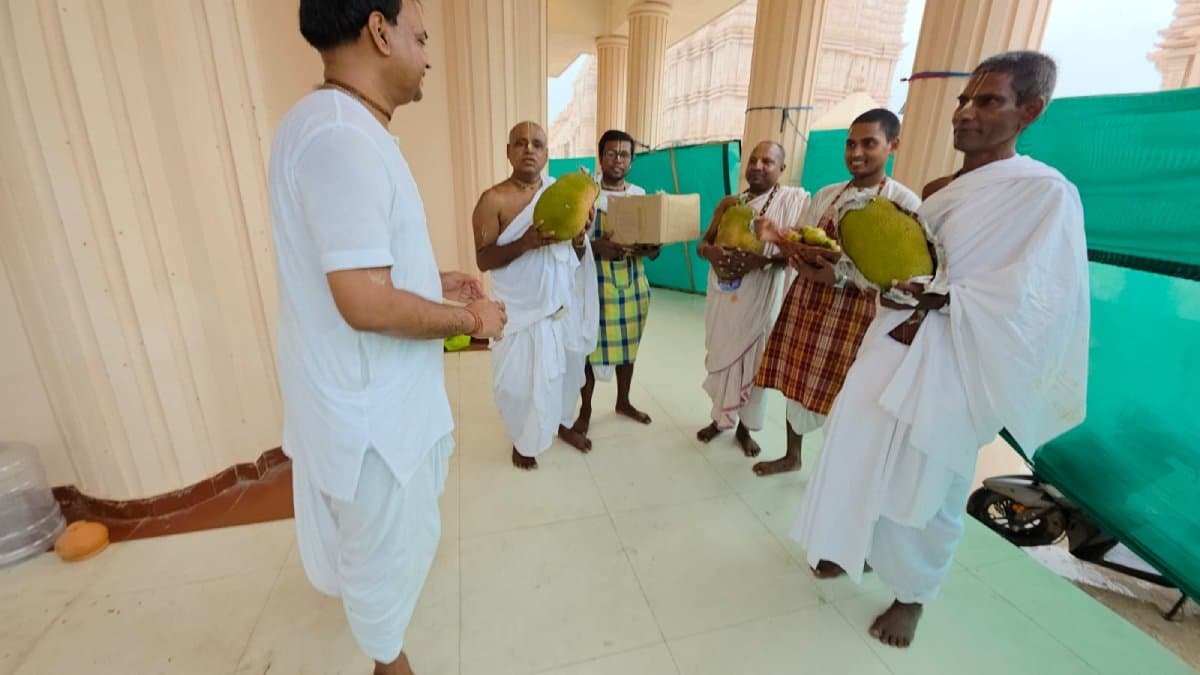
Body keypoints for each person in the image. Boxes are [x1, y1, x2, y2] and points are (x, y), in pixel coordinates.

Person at [790, 51, 1089, 649]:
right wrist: (843, 268)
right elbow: (901, 270)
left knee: (930, 479)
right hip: (890, 343)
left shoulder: (1045, 194)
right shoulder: (936, 190)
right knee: (856, 449)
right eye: (964, 99)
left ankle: (913, 594)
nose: (966, 113)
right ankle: (854, 542)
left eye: (988, 101)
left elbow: (1040, 300)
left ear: (1030, 110)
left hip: (959, 360)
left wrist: (944, 298)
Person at [271, 2, 505, 673]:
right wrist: (473, 322)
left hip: (356, 404)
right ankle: (389, 664)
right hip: (373, 425)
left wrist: (432, 280)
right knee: (383, 573)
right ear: (380, 30)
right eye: (420, 37)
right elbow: (366, 302)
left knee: (380, 558)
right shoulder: (341, 138)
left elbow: (358, 268)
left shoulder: (325, 123)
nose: (427, 56)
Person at [753, 109, 921, 478]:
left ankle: (837, 471)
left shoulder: (904, 203)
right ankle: (792, 456)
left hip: (860, 316)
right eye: (850, 144)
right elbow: (804, 240)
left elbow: (903, 277)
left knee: (848, 395)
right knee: (797, 381)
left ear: (893, 146)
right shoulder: (828, 195)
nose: (856, 153)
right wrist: (782, 241)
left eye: (868, 143)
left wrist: (842, 276)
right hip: (809, 304)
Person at [473, 122, 594, 469]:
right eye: (521, 143)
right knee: (517, 386)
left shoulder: (562, 194)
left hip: (559, 310)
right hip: (517, 314)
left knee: (562, 376)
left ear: (546, 154)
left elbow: (575, 257)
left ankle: (558, 423)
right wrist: (524, 243)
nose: (529, 149)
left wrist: (579, 237)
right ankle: (522, 438)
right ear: (508, 151)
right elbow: (483, 259)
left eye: (537, 144)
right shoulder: (492, 200)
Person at [694, 141, 808, 457]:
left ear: (782, 168)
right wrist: (711, 252)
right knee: (722, 359)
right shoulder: (730, 203)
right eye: (753, 160)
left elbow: (796, 253)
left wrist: (762, 262)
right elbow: (703, 244)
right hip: (724, 297)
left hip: (761, 299)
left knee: (754, 364)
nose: (757, 166)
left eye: (767, 162)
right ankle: (719, 420)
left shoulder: (793, 202)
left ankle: (744, 430)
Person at [568, 130, 660, 438]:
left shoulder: (640, 194)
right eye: (611, 153)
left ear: (631, 161)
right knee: (589, 348)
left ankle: (623, 401)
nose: (617, 160)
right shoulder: (587, 193)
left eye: (624, 154)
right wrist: (597, 248)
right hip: (594, 283)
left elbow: (652, 246)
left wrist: (652, 248)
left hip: (633, 284)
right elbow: (569, 242)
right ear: (600, 157)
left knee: (629, 346)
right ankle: (585, 410)